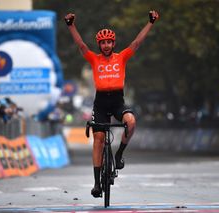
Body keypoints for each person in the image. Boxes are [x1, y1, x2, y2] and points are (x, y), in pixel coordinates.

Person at [64, 10, 159, 198]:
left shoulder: (121, 57)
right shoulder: (94, 59)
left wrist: (150, 23)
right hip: (100, 104)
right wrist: (71, 25)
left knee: (131, 122)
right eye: (103, 42)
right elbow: (81, 46)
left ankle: (119, 154)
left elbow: (137, 43)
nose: (106, 45)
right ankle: (97, 183)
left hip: (117, 102)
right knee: (98, 139)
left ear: (113, 44)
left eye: (109, 42)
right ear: (99, 44)